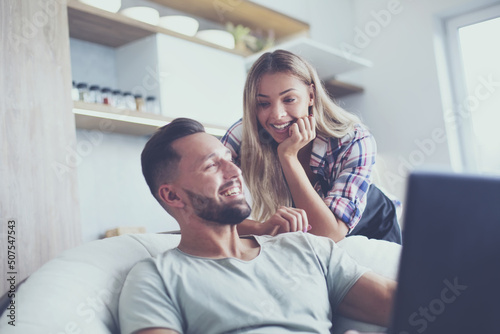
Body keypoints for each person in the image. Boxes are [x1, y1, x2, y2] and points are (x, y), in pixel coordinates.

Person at [119, 118, 396, 334]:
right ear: (172, 196)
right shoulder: (156, 278)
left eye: (228, 159)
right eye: (211, 166)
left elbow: (401, 303)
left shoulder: (305, 246)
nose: (235, 172)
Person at [221, 49, 402, 243]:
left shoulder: (353, 139)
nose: (277, 114)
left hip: (373, 226)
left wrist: (288, 157)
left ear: (311, 95)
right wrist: (262, 228)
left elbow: (328, 234)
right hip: (310, 237)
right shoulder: (243, 136)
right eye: (264, 103)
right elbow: (209, 213)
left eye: (289, 99)